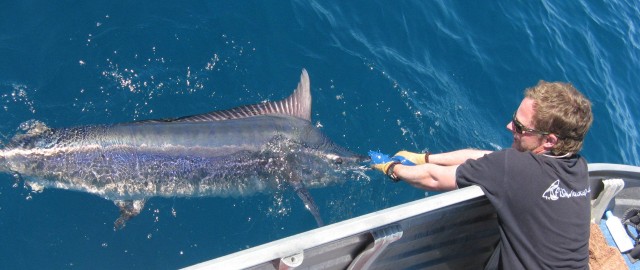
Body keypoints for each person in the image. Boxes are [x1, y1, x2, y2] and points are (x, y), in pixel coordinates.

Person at [371, 80, 593, 269]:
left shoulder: (515, 168)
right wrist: (426, 158)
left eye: (519, 126)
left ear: (550, 140)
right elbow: (486, 158)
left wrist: (392, 168)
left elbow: (433, 178)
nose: (509, 127)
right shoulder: (578, 167)